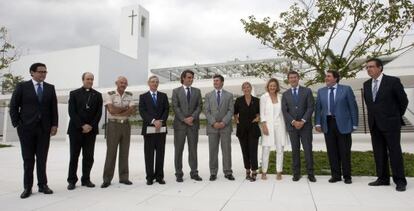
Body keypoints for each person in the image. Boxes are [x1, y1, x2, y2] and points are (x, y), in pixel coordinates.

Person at [9, 63, 58, 199]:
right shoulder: (22, 87)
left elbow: (53, 108)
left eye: (45, 72)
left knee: (42, 159)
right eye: (40, 71)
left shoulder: (50, 88)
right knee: (28, 159)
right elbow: (13, 106)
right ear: (32, 72)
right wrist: (17, 124)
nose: (43, 74)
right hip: (26, 129)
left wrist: (54, 125)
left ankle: (43, 185)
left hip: (44, 129)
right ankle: (27, 187)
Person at [363, 58, 408, 192]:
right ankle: (383, 178)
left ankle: (400, 181)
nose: (368, 69)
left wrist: (394, 116)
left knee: (395, 152)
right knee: (379, 152)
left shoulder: (393, 81)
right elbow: (370, 104)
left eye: (371, 66)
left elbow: (403, 101)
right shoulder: (366, 84)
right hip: (374, 124)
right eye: (367, 67)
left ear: (380, 68)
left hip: (391, 124)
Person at [315, 70, 358, 184]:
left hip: (343, 124)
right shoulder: (321, 91)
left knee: (345, 151)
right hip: (328, 124)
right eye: (326, 76)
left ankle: (347, 176)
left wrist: (354, 123)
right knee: (332, 151)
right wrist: (318, 123)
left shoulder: (346, 89)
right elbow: (318, 109)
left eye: (329, 76)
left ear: (336, 78)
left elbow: (353, 107)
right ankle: (336, 175)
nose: (326, 78)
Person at [67, 72, 103, 190]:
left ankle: (86, 179)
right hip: (76, 130)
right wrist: (82, 125)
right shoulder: (74, 94)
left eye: (92, 79)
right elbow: (72, 112)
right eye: (88, 79)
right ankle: (72, 180)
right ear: (83, 80)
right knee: (74, 156)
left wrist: (90, 126)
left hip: (91, 131)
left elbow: (98, 113)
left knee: (88, 156)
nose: (90, 81)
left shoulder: (97, 95)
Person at [281, 71, 316, 182]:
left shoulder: (307, 91)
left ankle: (310, 173)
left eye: (294, 77)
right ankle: (296, 173)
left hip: (305, 126)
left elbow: (310, 107)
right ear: (288, 80)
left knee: (308, 150)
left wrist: (303, 121)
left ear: (298, 78)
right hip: (292, 127)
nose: (293, 79)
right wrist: (293, 122)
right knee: (295, 150)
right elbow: (284, 110)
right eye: (290, 78)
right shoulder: (285, 94)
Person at [101, 76, 135, 188]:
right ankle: (107, 179)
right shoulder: (110, 94)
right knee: (111, 152)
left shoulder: (129, 95)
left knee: (125, 152)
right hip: (113, 125)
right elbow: (111, 110)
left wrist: (119, 111)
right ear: (116, 83)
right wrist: (125, 109)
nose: (123, 84)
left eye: (125, 83)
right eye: (121, 82)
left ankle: (124, 178)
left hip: (125, 125)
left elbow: (131, 111)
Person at [171, 70, 203, 182]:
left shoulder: (197, 91)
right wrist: (184, 119)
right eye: (189, 77)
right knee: (178, 150)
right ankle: (178, 173)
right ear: (183, 78)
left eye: (192, 77)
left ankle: (194, 172)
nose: (191, 79)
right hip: (180, 126)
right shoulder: (175, 91)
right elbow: (175, 107)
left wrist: (192, 118)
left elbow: (199, 107)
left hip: (193, 125)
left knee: (193, 150)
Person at [139, 76, 169, 185]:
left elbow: (166, 109)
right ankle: (150, 177)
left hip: (161, 129)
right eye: (152, 82)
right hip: (149, 129)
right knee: (149, 154)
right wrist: (153, 121)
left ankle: (159, 176)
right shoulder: (143, 97)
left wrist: (160, 121)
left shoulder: (163, 96)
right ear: (148, 83)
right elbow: (142, 111)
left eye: (156, 82)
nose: (155, 84)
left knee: (160, 153)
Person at [204, 74, 235, 181]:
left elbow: (231, 111)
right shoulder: (208, 95)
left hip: (225, 127)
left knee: (226, 150)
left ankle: (228, 172)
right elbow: (206, 111)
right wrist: (214, 123)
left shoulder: (229, 95)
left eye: (217, 81)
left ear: (222, 82)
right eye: (214, 81)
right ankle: (213, 172)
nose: (215, 82)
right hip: (212, 128)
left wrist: (223, 122)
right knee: (213, 151)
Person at [260, 78, 288, 180]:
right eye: (271, 86)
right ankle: (264, 171)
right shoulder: (264, 97)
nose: (272, 87)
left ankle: (279, 171)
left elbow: (284, 112)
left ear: (277, 87)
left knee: (280, 148)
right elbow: (262, 112)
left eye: (274, 86)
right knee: (266, 148)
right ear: (268, 86)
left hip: (280, 125)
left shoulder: (281, 97)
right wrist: (264, 126)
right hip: (268, 125)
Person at [234, 82, 261, 182]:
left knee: (253, 150)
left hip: (253, 128)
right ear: (242, 89)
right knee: (245, 151)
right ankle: (247, 170)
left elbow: (259, 112)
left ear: (251, 88)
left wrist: (258, 118)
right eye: (244, 87)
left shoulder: (257, 100)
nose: (246, 89)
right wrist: (236, 120)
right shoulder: (239, 100)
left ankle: (254, 170)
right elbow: (235, 113)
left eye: (248, 87)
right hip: (242, 129)